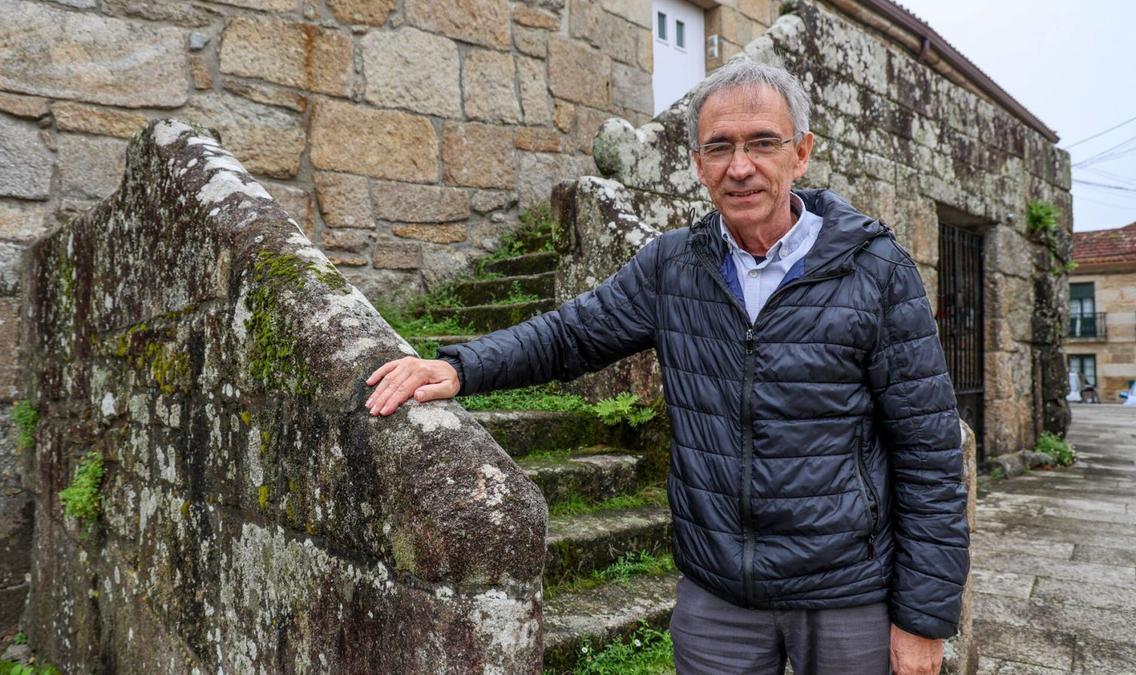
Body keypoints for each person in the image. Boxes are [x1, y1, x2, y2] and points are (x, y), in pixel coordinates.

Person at [365, 59, 969, 675]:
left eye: (763, 142)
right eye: (720, 147)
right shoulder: (674, 267)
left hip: (847, 596)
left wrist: (923, 618)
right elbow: (571, 334)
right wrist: (461, 367)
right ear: (697, 163)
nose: (741, 166)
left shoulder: (875, 268)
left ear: (802, 152)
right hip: (718, 599)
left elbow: (929, 450)